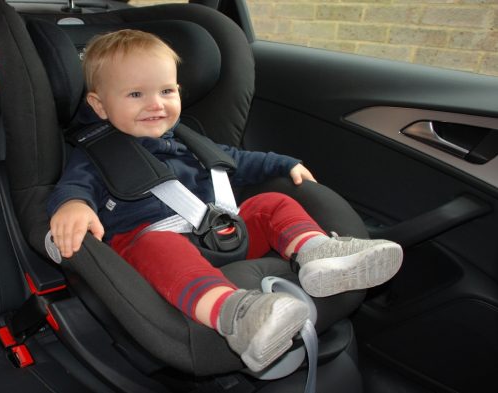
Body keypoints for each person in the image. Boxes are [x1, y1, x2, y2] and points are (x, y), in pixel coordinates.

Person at [47, 29, 403, 373]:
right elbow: (74, 186)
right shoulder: (96, 154)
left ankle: (318, 255)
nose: (156, 104)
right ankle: (237, 316)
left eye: (167, 90)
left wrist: (284, 163)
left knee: (271, 204)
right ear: (100, 105)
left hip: (220, 231)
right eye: (136, 95)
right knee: (157, 245)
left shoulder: (186, 139)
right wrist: (74, 205)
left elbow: (236, 161)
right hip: (153, 247)